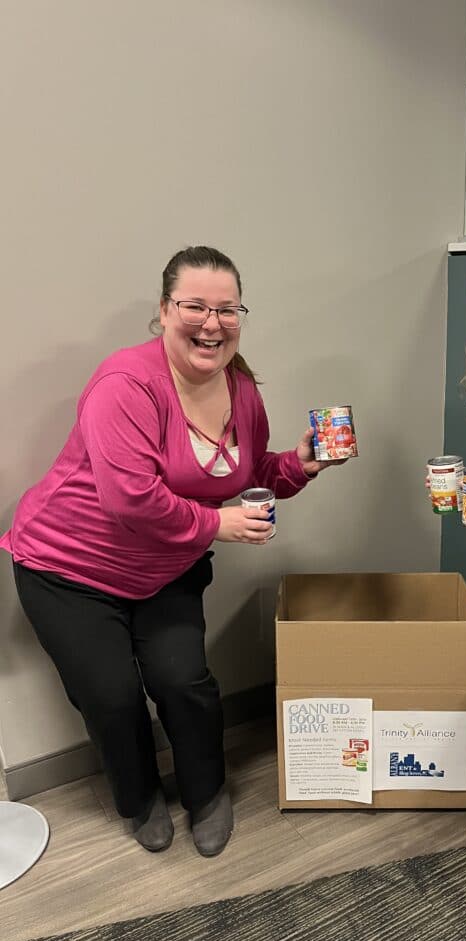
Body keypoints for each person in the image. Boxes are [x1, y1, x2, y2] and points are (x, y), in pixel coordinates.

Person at [1, 245, 344, 857]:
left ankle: (207, 793)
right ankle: (139, 799)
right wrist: (217, 525)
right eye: (194, 307)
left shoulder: (241, 389)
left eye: (227, 309)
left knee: (184, 682)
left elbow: (248, 474)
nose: (212, 323)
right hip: (69, 567)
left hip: (164, 567)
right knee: (111, 697)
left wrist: (300, 464)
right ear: (164, 311)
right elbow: (131, 500)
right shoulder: (125, 383)